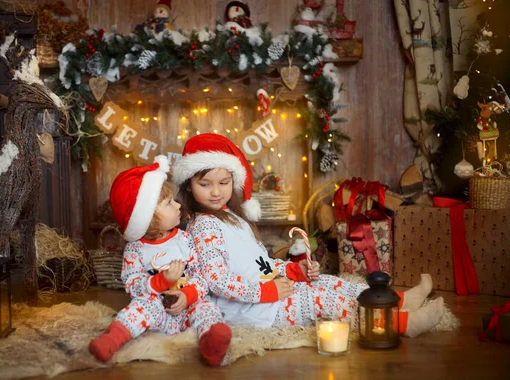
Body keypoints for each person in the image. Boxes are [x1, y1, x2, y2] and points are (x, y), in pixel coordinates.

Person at [172, 134, 444, 336]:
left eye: (224, 183)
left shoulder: (232, 218)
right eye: (205, 184)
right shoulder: (204, 226)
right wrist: (267, 291)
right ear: (189, 184)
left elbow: (259, 263)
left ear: (234, 182)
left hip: (269, 290)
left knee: (332, 283)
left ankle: (400, 300)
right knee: (326, 300)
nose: (216, 192)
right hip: (253, 309)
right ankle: (401, 325)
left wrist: (292, 270)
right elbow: (216, 281)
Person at [89, 155, 231, 366]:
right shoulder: (136, 250)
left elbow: (200, 275)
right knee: (139, 307)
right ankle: (112, 339)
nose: (177, 205)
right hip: (156, 311)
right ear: (148, 217)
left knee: (206, 308)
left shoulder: (184, 239)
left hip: (186, 306)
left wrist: (187, 295)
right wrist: (160, 282)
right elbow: (132, 284)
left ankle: (211, 343)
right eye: (168, 203)